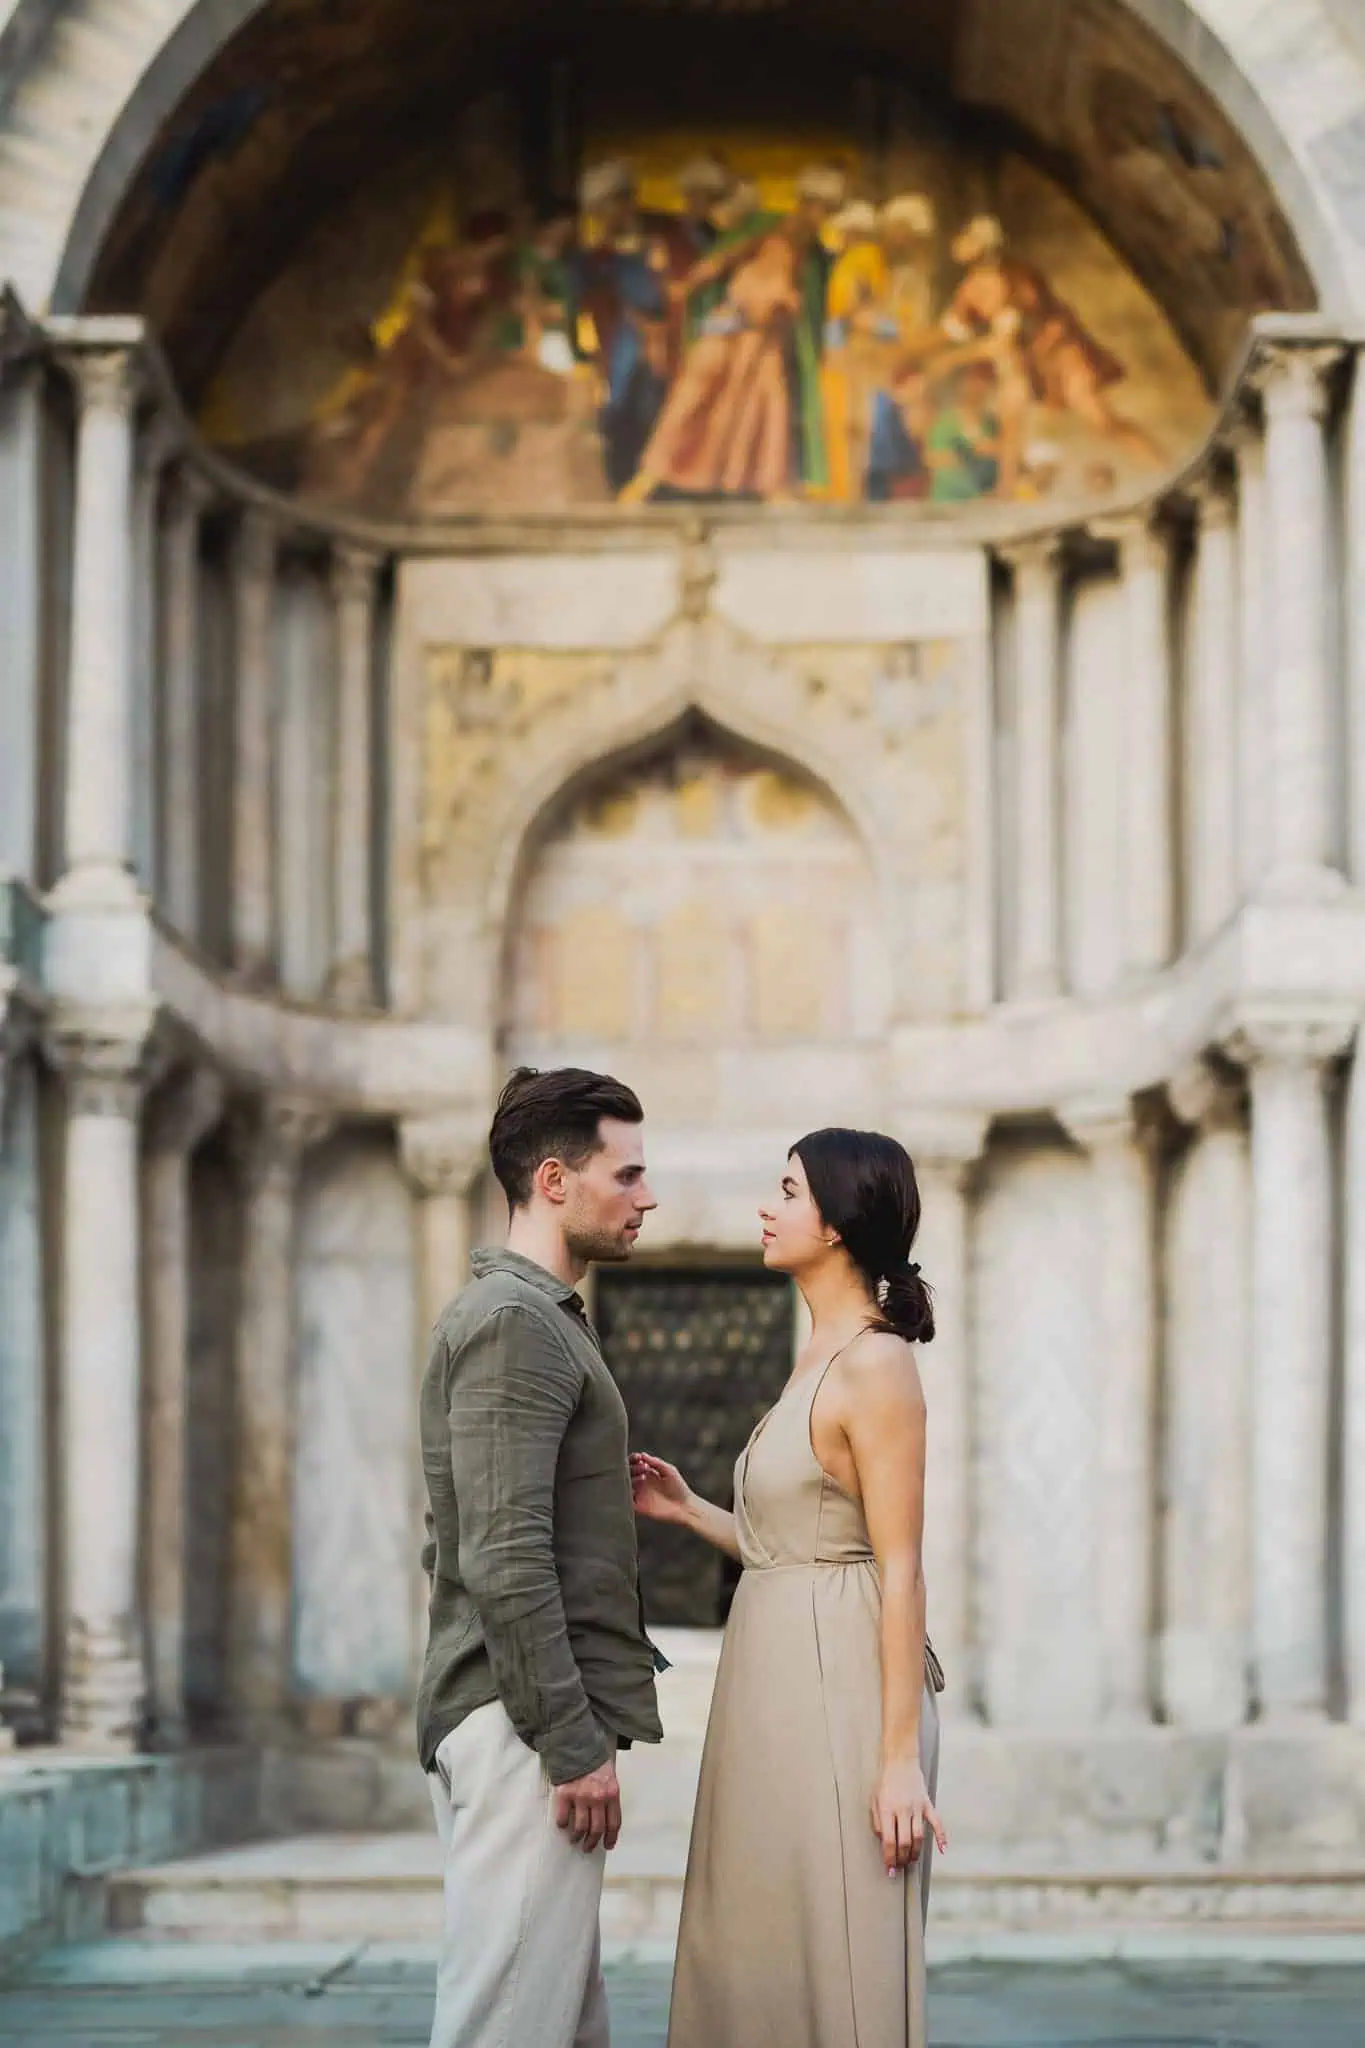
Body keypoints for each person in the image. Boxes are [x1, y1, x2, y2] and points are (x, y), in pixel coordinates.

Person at [633, 1128, 946, 2048]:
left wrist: (897, 1760)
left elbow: (897, 1566)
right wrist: (690, 1510)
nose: (765, 1210)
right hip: (772, 1688)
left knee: (835, 1954)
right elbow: (796, 1548)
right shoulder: (815, 1356)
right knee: (757, 1950)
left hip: (842, 1695)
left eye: (786, 1191)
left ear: (838, 1223)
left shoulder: (876, 1364)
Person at [418, 1065, 666, 2048]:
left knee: (560, 2025)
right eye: (628, 1173)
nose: (647, 1196)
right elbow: (504, 1554)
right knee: (507, 2027)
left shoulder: (539, 1318)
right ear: (555, 1180)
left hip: (527, 1719)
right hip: (520, 1727)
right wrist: (569, 1741)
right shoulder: (515, 1323)